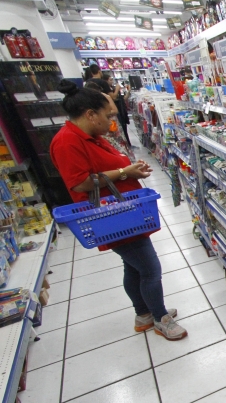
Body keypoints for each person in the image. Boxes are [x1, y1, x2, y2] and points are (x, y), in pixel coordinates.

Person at [49, 80, 188, 341]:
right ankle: (161, 319)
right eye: (108, 115)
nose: (112, 121)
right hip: (111, 216)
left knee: (133, 266)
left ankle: (143, 314)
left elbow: (102, 167)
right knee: (150, 269)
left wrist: (127, 169)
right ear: (91, 114)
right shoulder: (67, 142)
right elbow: (80, 183)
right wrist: (125, 172)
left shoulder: (88, 136)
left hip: (122, 212)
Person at [105, 73, 131, 146]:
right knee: (120, 132)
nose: (112, 81)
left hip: (122, 113)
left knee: (124, 130)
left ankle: (128, 144)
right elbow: (114, 98)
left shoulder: (113, 89)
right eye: (110, 80)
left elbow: (123, 99)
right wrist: (117, 89)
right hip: (117, 115)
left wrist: (129, 91)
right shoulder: (109, 94)